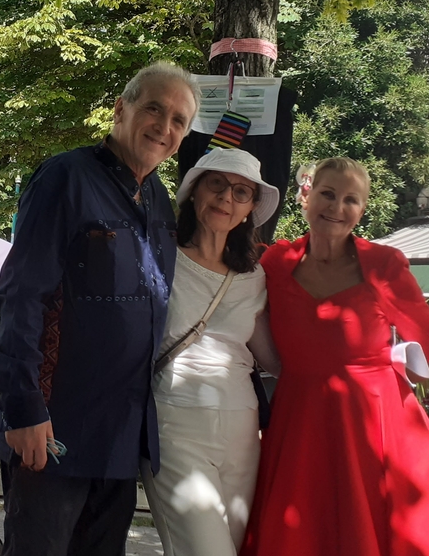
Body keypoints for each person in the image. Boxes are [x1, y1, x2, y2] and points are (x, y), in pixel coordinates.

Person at [0, 62, 199, 556]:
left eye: (179, 120)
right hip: (53, 431)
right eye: (154, 109)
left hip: (120, 442)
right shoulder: (65, 177)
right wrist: (24, 407)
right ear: (121, 109)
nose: (164, 127)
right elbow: (21, 294)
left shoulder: (159, 200)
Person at [241, 157, 429, 556]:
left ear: (362, 210)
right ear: (306, 196)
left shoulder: (385, 265)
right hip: (300, 422)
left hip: (375, 425)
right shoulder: (275, 264)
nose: (337, 208)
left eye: (351, 200)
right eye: (328, 194)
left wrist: (383, 366)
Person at [141, 148, 282, 556]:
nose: (226, 197)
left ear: (250, 209)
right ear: (195, 191)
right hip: (175, 422)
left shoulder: (254, 277)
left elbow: (274, 360)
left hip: (242, 431)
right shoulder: (158, 258)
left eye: (241, 192)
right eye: (216, 184)